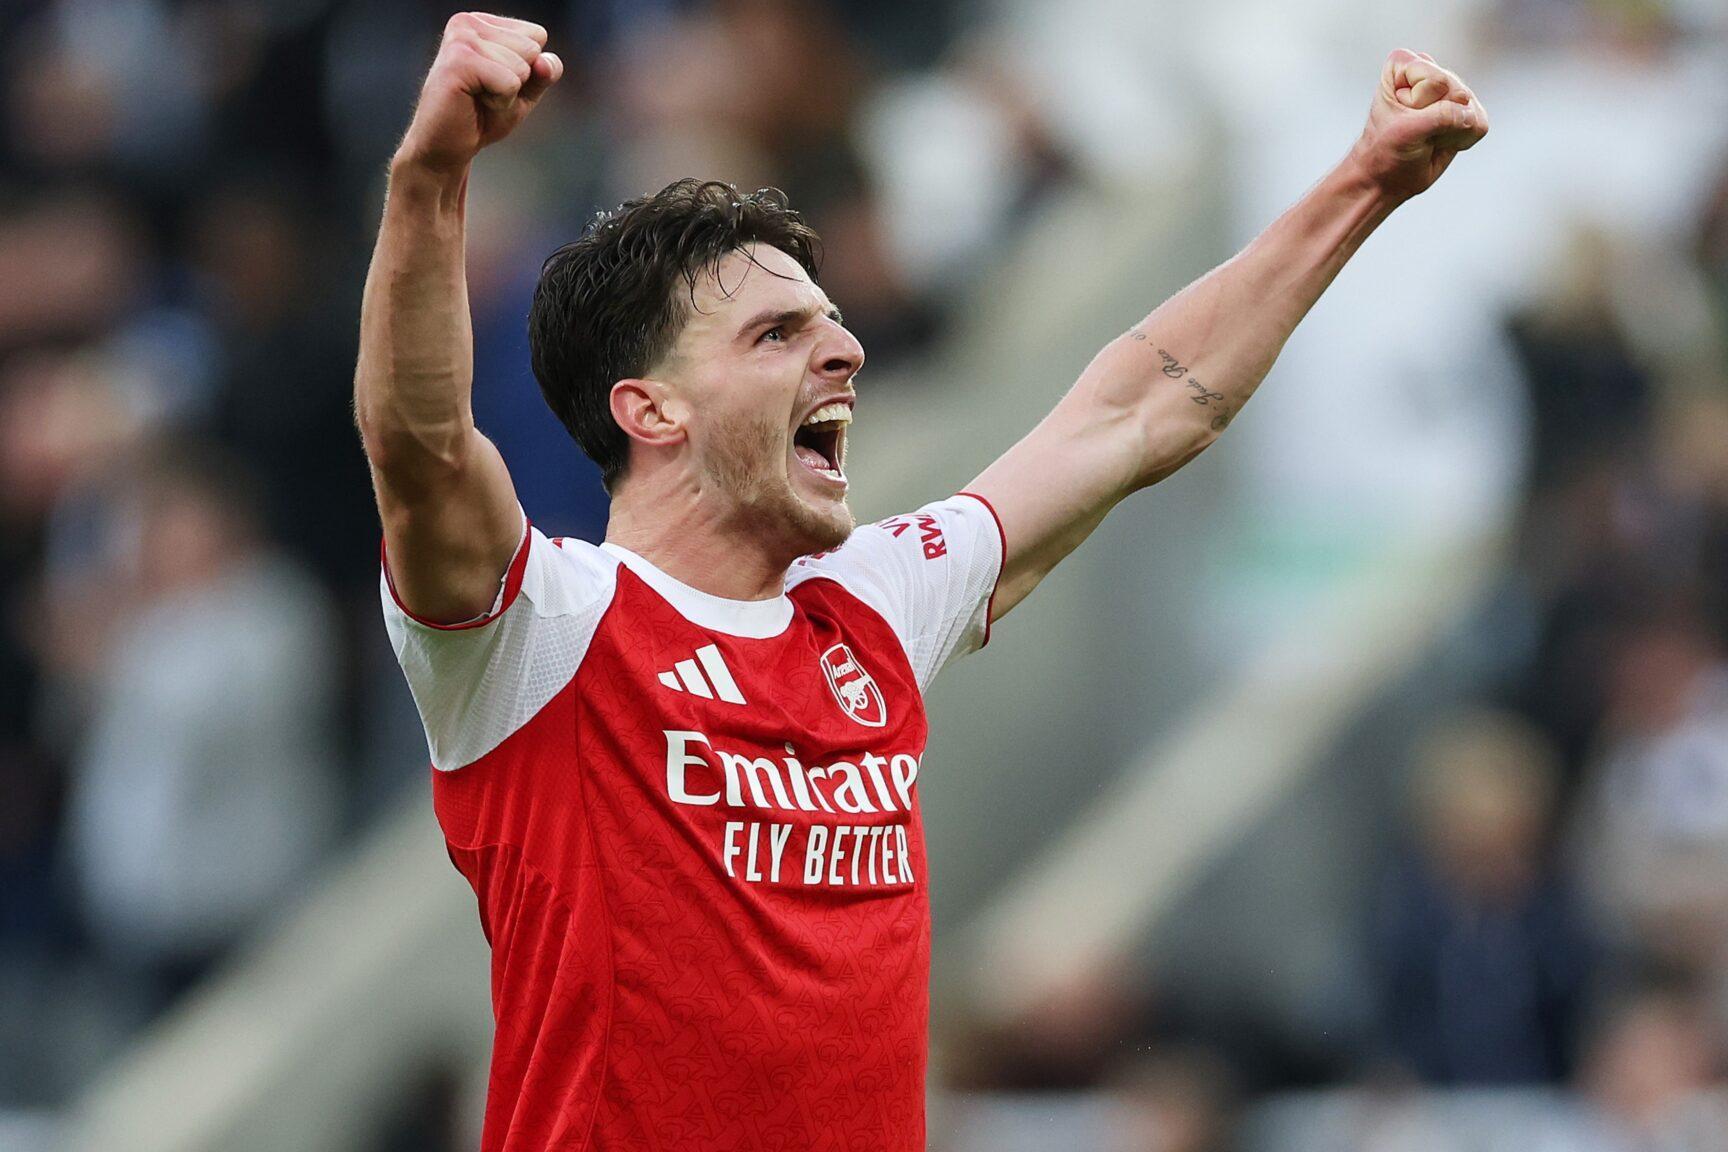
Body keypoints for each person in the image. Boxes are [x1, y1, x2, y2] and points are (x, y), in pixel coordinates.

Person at [354, 12, 1488, 1150]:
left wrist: (1365, 182)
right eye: (777, 335)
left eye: (833, 322)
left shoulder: (873, 601)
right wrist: (433, 174)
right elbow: (421, 447)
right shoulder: (544, 631)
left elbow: (1137, 412)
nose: (844, 351)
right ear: (651, 411)